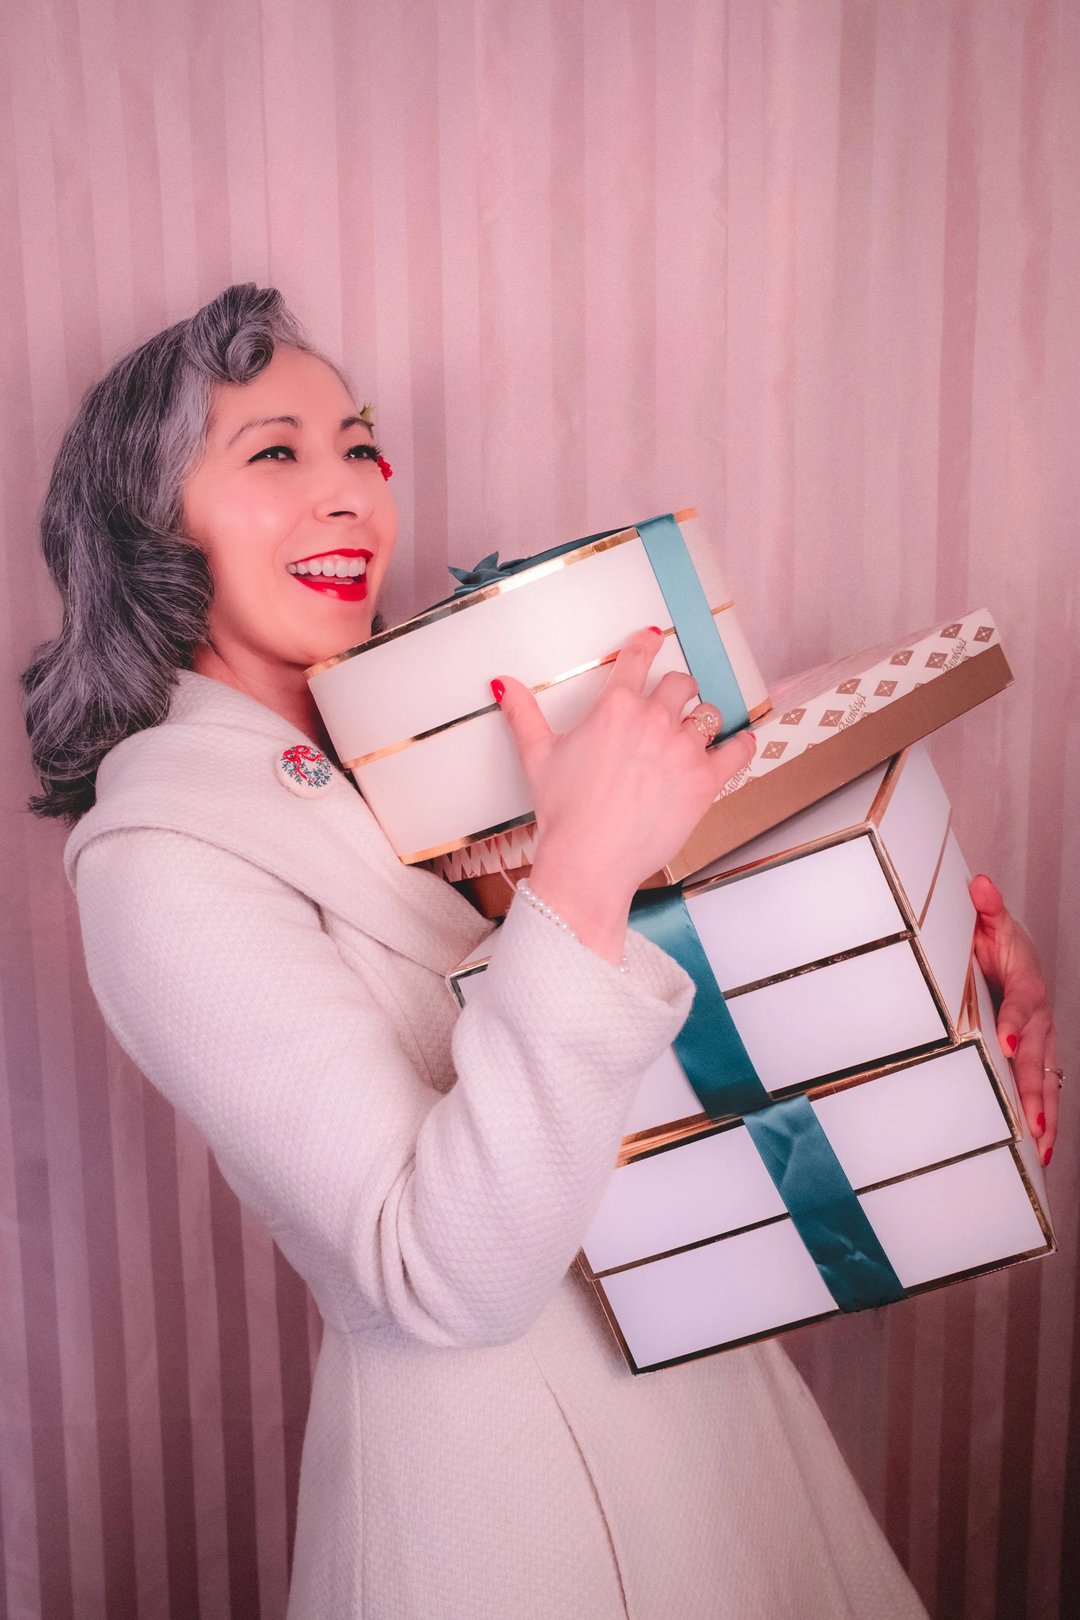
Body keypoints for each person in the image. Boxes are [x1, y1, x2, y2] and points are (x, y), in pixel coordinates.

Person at [23, 285, 1059, 1619]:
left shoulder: (410, 743)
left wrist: (941, 974)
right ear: (148, 525)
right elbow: (433, 1276)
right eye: (275, 452)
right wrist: (579, 873)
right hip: (501, 1498)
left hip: (692, 1403)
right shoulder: (161, 854)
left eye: (359, 445)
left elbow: (712, 890)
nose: (350, 493)